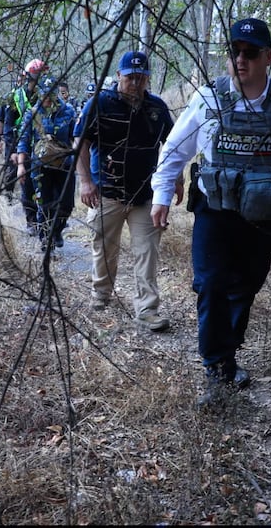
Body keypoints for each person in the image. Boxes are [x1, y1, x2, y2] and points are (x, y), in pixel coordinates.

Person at [150, 18, 271, 406]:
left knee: (246, 286)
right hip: (214, 210)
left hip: (260, 215)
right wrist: (161, 194)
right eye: (234, 51)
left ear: (269, 57)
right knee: (211, 285)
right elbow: (175, 148)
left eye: (250, 53)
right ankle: (216, 370)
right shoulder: (209, 98)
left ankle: (227, 353)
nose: (241, 59)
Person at [74, 51, 184, 332]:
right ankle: (101, 293)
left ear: (148, 79)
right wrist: (85, 182)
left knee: (147, 251)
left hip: (145, 194)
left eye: (141, 78)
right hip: (106, 192)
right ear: (119, 76)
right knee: (104, 246)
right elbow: (81, 142)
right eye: (130, 77)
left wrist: (177, 179)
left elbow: (173, 146)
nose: (135, 83)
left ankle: (147, 309)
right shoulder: (99, 103)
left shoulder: (157, 108)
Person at [16, 76, 78, 251]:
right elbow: (24, 140)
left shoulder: (68, 111)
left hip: (64, 164)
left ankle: (56, 231)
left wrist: (76, 156)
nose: (47, 99)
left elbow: (76, 136)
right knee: (44, 204)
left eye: (51, 95)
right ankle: (46, 243)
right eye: (44, 95)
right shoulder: (32, 113)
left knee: (66, 205)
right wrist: (21, 165)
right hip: (40, 166)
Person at [7, 58, 48, 236]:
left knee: (46, 185)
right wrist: (13, 151)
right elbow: (9, 124)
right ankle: (31, 221)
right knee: (27, 186)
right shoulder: (16, 96)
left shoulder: (47, 95)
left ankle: (46, 221)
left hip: (44, 148)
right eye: (36, 75)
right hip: (23, 147)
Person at [0, 74, 22, 202]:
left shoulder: (33, 99)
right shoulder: (8, 99)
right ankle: (8, 196)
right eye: (19, 80)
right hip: (11, 140)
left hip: (27, 139)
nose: (21, 82)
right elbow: (0, 120)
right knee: (11, 169)